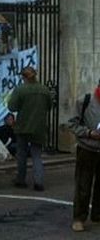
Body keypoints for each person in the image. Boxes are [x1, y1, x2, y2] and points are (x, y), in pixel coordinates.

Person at [8, 66, 52, 191]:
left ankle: (21, 180)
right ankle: (38, 181)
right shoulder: (44, 89)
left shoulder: (20, 90)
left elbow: (12, 107)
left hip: (23, 126)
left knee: (21, 154)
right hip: (39, 127)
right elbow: (49, 105)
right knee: (36, 155)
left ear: (23, 77)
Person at [67, 83, 100, 232]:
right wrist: (88, 133)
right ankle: (79, 218)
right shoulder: (85, 101)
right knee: (83, 185)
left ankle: (97, 214)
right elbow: (71, 124)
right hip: (87, 149)